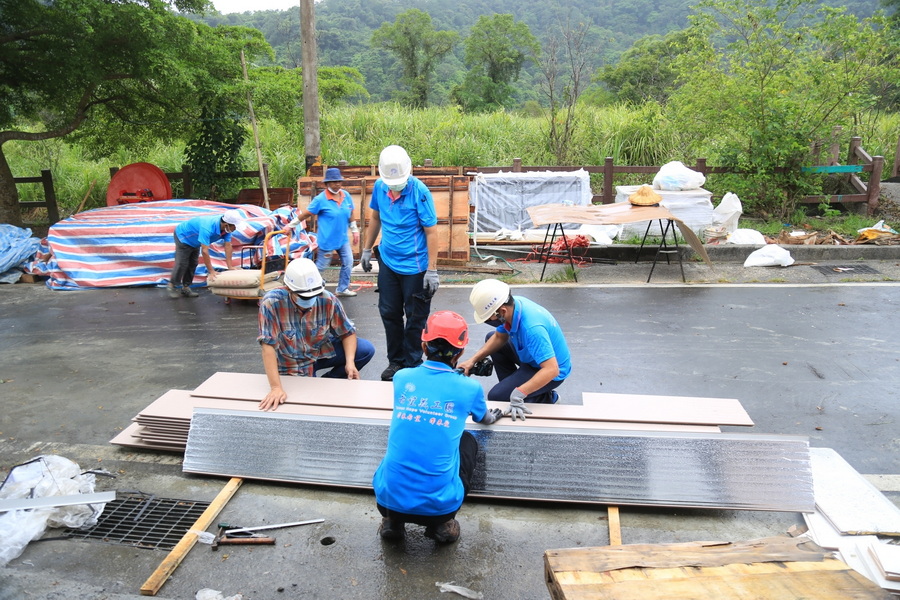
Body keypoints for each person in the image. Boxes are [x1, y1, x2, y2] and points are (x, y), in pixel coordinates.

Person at [372, 311, 502, 543]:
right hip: (439, 508)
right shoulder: (470, 388)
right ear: (460, 352)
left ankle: (392, 522)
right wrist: (494, 415)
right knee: (467, 440)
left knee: (405, 439)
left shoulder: (401, 377)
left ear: (424, 346)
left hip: (387, 500)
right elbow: (484, 418)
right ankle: (443, 526)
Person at [361, 145, 440, 382]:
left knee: (415, 316)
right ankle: (396, 361)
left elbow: (431, 232)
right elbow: (375, 218)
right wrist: (366, 249)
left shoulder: (420, 192)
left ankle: (413, 363)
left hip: (415, 266)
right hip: (388, 261)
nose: (395, 186)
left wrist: (432, 269)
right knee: (389, 313)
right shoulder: (379, 187)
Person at [257, 257, 375, 411]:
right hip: (291, 362)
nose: (310, 299)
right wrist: (276, 387)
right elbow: (268, 347)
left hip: (320, 353)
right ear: (289, 289)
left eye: (314, 294)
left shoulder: (328, 299)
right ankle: (313, 381)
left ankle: (330, 380)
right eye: (304, 296)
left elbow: (347, 332)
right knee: (308, 402)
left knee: (365, 349)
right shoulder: (271, 303)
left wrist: (350, 362)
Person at [458, 279, 571, 421]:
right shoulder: (513, 306)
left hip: (549, 370)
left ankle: (547, 398)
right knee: (491, 337)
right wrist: (472, 360)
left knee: (497, 397)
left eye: (488, 318)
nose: (488, 321)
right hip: (532, 357)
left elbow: (552, 369)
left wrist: (518, 394)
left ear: (502, 311)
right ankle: (514, 388)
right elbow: (499, 337)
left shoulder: (532, 328)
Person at [290, 167, 360, 297]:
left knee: (348, 262)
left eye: (339, 181)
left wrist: (354, 230)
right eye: (334, 182)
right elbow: (306, 214)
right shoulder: (320, 199)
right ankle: (308, 287)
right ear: (327, 183)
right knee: (321, 266)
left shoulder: (346, 196)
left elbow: (350, 213)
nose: (337, 184)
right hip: (327, 240)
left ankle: (342, 288)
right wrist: (291, 225)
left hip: (342, 239)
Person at [168, 209, 242, 298]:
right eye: (235, 226)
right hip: (183, 237)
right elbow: (205, 251)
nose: (236, 229)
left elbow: (228, 246)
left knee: (193, 263)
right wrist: (211, 271)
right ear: (226, 224)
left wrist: (230, 266)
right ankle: (172, 285)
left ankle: (186, 287)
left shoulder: (227, 230)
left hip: (196, 240)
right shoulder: (207, 227)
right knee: (182, 263)